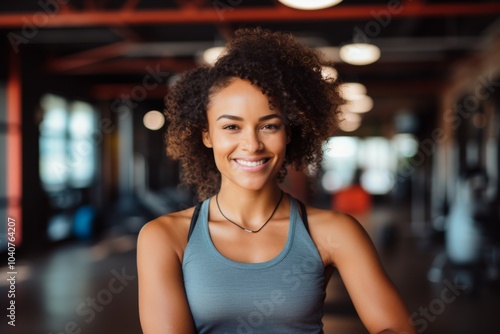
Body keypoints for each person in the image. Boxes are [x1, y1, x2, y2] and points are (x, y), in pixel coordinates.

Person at [137, 27, 415, 334]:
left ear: (289, 134)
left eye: (269, 126)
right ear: (206, 135)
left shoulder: (335, 232)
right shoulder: (165, 238)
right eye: (231, 127)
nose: (252, 144)